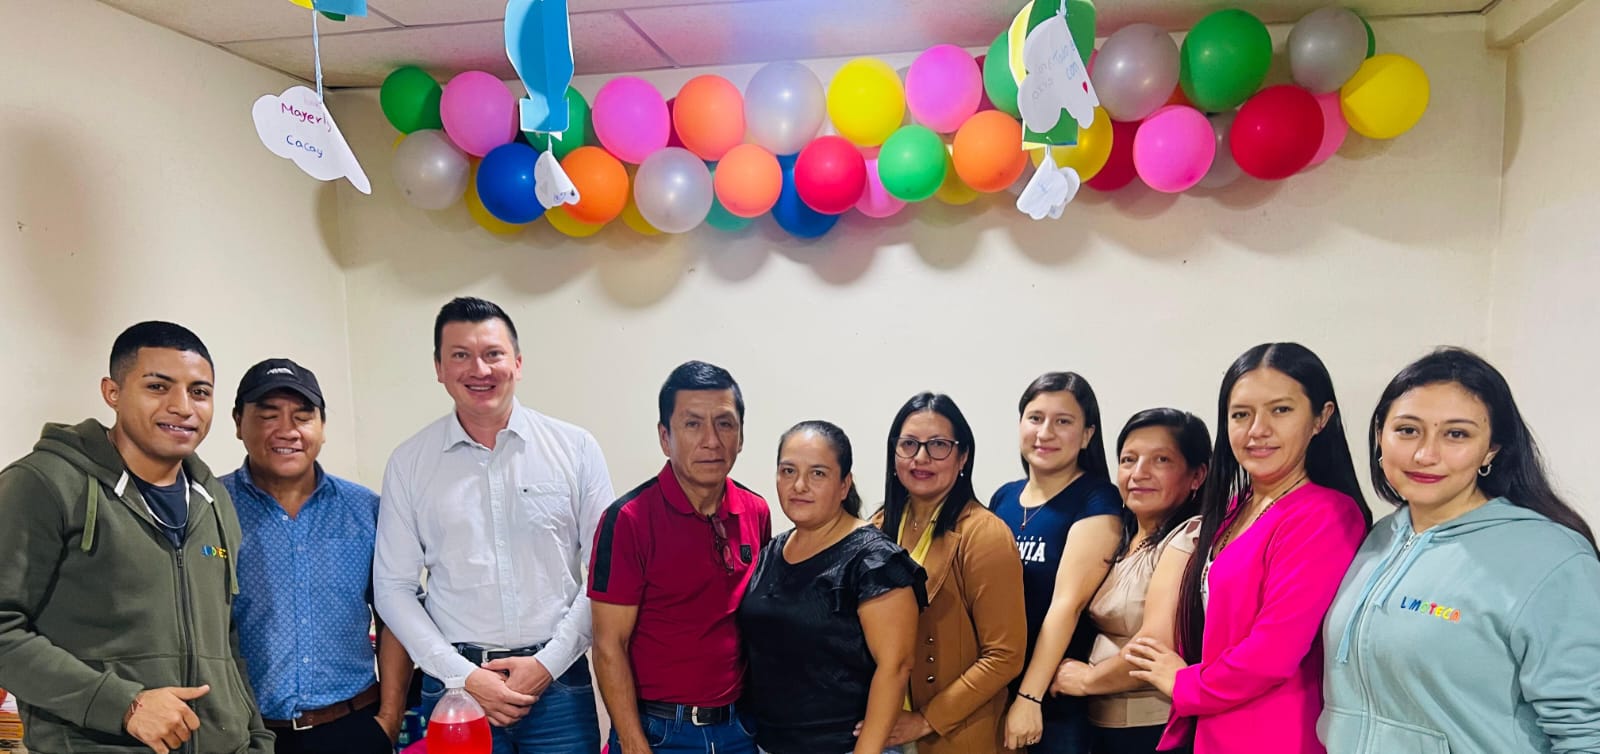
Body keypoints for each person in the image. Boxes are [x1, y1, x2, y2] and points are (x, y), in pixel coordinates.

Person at [0, 321, 273, 754]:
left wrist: (255, 737)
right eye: (158, 387)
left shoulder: (213, 499)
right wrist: (123, 705)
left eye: (199, 392)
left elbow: (225, 637)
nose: (182, 407)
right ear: (112, 392)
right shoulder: (44, 484)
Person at [1321, 347, 1600, 753]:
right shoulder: (1378, 539)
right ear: (1380, 435)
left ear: (1491, 449)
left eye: (1457, 434)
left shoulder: (1552, 558)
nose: (1425, 454)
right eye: (1407, 430)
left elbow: (1588, 733)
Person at [374, 297, 613, 754]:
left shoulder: (576, 449)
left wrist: (547, 664)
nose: (479, 369)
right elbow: (393, 588)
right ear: (439, 368)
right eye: (460, 355)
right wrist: (463, 676)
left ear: (517, 363)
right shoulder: (409, 463)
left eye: (493, 354)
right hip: (455, 689)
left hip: (558, 685)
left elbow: (606, 573)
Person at [1123, 342, 1371, 754]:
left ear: (1321, 418)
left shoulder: (1326, 514)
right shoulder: (1237, 506)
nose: (1257, 429)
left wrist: (1185, 683)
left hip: (1271, 733)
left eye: (1281, 410)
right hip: (1214, 727)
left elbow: (1273, 652)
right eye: (1241, 414)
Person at [224, 358, 412, 753]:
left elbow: (396, 613)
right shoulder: (211, 508)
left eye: (303, 416)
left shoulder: (366, 510)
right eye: (268, 415)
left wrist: (390, 719)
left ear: (322, 427)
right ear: (238, 422)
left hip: (354, 726)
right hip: (247, 734)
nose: (287, 430)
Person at [589, 361, 772, 754]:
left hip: (739, 728)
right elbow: (608, 646)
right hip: (659, 731)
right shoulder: (628, 520)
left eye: (725, 424)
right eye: (692, 424)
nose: (711, 441)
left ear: (741, 436)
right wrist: (633, 743)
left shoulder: (755, 511)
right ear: (665, 437)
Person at [739, 420, 926, 754]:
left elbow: (896, 667)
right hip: (767, 743)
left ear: (844, 485)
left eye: (818, 474)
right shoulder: (772, 551)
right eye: (788, 471)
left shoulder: (875, 561)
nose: (799, 485)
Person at [871, 392, 1027, 754]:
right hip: (883, 728)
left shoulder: (984, 534)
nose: (921, 458)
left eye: (938, 445)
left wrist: (926, 719)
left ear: (963, 456)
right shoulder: (877, 526)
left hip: (955, 734)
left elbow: (1005, 655)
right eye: (908, 444)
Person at [1052, 409, 1210, 754]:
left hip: (1151, 729)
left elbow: (1153, 645)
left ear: (1197, 475)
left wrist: (1086, 680)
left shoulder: (1188, 537)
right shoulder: (1118, 534)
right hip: (1100, 725)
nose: (1139, 473)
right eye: (1128, 459)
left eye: (1161, 460)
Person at [991, 373, 1123, 753]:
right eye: (1035, 418)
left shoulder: (1097, 499)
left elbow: (1068, 604)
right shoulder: (1003, 498)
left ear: (1086, 435)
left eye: (1063, 421)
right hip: (997, 689)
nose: (1045, 432)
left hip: (1054, 700)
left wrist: (1028, 697)